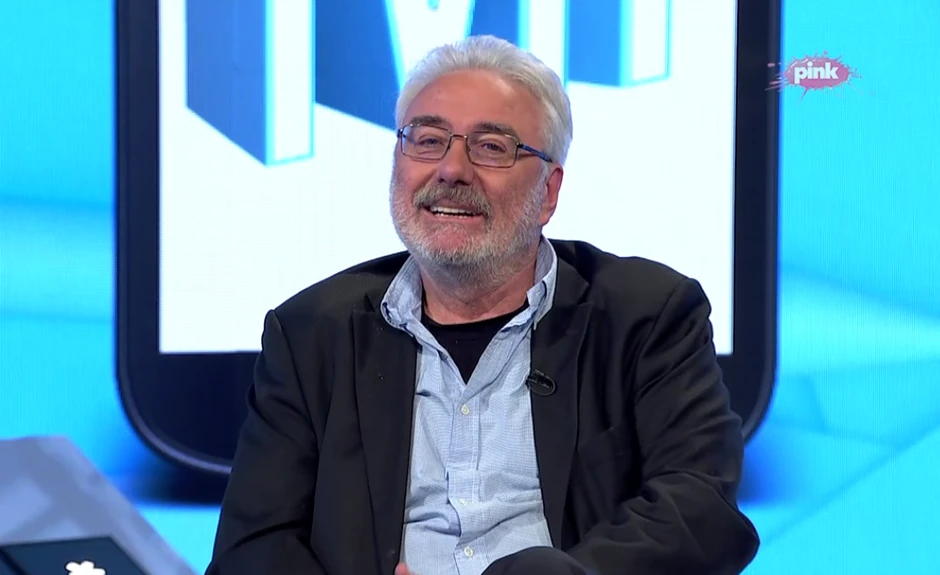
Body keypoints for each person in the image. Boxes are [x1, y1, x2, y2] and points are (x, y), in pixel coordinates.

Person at [206, 35, 759, 575]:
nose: (451, 170)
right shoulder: (309, 335)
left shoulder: (646, 316)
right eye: (427, 140)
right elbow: (252, 549)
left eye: (491, 147)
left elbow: (700, 510)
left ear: (548, 192)